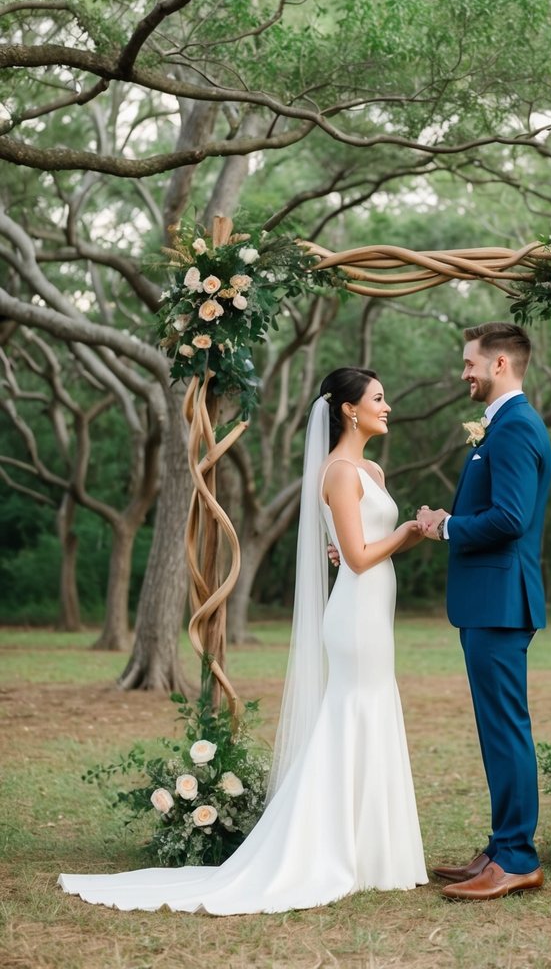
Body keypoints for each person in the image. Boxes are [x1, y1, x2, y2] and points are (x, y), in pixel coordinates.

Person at [58, 367, 428, 914]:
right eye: (378, 397)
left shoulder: (370, 467)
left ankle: (378, 851)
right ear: (349, 409)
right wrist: (410, 531)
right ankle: (328, 847)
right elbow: (355, 557)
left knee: (373, 707)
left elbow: (361, 547)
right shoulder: (340, 472)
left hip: (375, 607)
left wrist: (397, 538)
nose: (388, 405)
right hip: (354, 615)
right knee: (354, 710)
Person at [417, 322, 551, 902]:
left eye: (471, 363)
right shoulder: (500, 427)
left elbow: (511, 518)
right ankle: (501, 847)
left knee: (506, 730)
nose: (464, 372)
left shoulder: (516, 427)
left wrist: (446, 526)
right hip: (488, 602)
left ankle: (518, 857)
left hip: (502, 602)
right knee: (497, 730)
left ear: (500, 365)